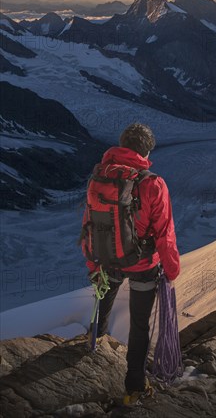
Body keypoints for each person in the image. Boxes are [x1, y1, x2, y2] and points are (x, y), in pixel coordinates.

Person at [81, 123, 180, 402]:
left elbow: (89, 224)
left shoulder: (99, 176)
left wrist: (93, 265)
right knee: (139, 325)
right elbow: (165, 233)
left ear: (122, 145)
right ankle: (134, 386)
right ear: (146, 151)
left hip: (108, 261)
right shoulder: (152, 184)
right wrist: (172, 270)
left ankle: (92, 348)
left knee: (104, 304)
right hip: (142, 265)